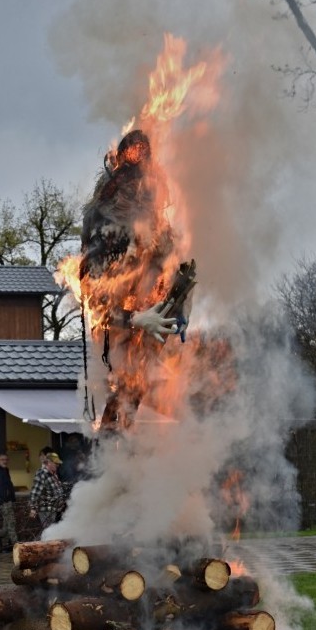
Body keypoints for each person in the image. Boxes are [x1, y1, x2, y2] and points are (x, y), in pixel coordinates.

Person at [79, 128, 194, 433]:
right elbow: (97, 304)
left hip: (149, 322)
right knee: (124, 386)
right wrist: (136, 319)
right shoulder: (104, 239)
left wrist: (181, 308)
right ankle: (110, 448)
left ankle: (122, 446)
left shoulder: (160, 233)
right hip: (120, 328)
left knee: (137, 385)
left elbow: (178, 271)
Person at [28, 452, 67, 529]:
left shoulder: (53, 474)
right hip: (46, 510)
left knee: (51, 531)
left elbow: (55, 488)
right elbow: (35, 492)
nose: (58, 465)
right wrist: (33, 508)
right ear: (49, 462)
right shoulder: (42, 474)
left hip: (54, 509)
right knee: (48, 531)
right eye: (56, 463)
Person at [0, 453, 17, 551]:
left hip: (7, 500)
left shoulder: (4, 470)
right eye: (2, 459)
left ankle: (5, 546)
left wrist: (12, 498)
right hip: (4, 501)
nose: (4, 461)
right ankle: (16, 546)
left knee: (6, 524)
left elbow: (8, 485)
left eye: (6, 459)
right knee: (11, 523)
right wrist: (5, 499)